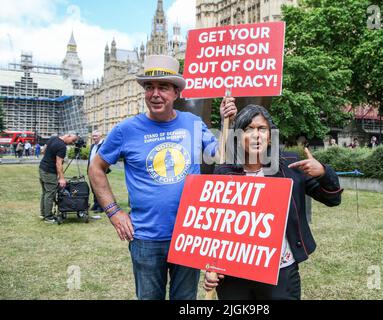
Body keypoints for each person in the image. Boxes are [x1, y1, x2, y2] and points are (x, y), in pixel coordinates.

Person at [89, 55, 237, 300]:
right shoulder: (126, 130)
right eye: (150, 87)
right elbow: (96, 168)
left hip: (189, 234)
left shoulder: (193, 123)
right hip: (146, 238)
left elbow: (222, 155)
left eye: (163, 87)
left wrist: (226, 121)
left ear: (176, 93)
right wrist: (114, 212)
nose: (155, 94)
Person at [203, 105, 343, 300]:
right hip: (235, 276)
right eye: (248, 129)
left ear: (270, 136)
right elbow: (214, 226)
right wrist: (211, 266)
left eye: (261, 129)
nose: (255, 135)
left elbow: (333, 198)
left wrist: (323, 172)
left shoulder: (291, 166)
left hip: (280, 273)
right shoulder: (223, 172)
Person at [39, 132, 79, 223]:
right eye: (73, 140)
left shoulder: (53, 138)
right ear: (68, 135)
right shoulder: (62, 146)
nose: (72, 143)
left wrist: (50, 157)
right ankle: (48, 217)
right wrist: (61, 178)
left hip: (42, 168)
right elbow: (58, 163)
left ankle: (43, 213)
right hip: (49, 171)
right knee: (50, 193)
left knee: (45, 192)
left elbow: (43, 150)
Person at [87, 130, 109, 214]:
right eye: (93, 136)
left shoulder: (104, 145)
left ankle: (101, 206)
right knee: (93, 188)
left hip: (99, 170)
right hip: (91, 170)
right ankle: (96, 204)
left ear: (101, 136)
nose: (94, 137)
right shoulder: (93, 145)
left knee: (100, 189)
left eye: (96, 136)